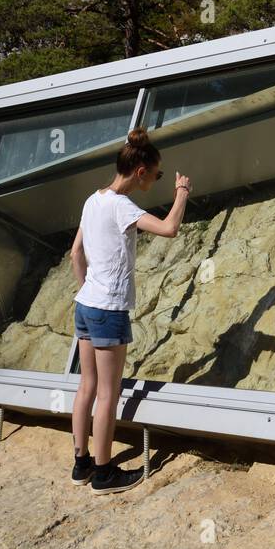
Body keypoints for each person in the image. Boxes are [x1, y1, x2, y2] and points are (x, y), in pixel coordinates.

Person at [69, 127, 191, 494]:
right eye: (157, 175)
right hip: (108, 309)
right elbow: (169, 228)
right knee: (108, 393)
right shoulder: (122, 206)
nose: (157, 179)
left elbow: (76, 253)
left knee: (86, 387)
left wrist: (87, 290)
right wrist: (182, 193)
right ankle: (105, 474)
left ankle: (81, 464)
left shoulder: (93, 200)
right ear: (140, 172)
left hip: (86, 304)